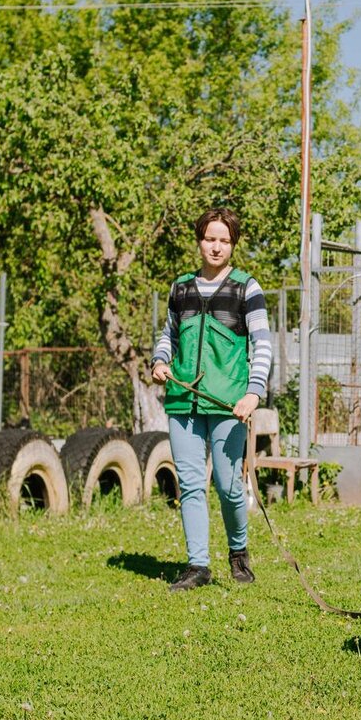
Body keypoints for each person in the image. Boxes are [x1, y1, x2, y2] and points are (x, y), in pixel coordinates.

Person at [151, 207, 272, 591]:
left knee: (228, 484)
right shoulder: (181, 287)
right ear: (199, 240)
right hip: (182, 399)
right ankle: (197, 565)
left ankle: (238, 551)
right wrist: (160, 359)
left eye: (224, 240)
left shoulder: (246, 289)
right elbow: (168, 334)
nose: (216, 247)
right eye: (209, 238)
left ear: (233, 244)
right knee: (189, 483)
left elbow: (263, 345)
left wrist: (253, 393)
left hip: (227, 404)